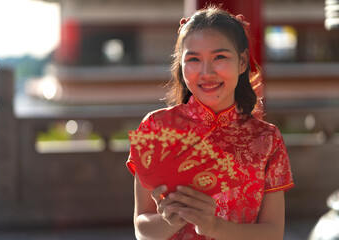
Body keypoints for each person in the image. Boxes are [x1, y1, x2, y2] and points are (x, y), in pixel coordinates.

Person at [126, 6, 294, 240]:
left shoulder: (266, 139)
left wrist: (213, 226)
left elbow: (273, 233)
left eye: (220, 57)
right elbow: (141, 228)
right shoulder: (157, 127)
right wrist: (170, 220)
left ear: (243, 62)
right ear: (181, 65)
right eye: (193, 59)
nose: (206, 72)